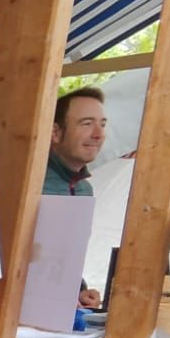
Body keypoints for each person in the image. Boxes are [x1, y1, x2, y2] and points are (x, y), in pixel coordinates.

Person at [42, 86, 108, 307]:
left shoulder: (84, 190)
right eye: (87, 123)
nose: (98, 134)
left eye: (102, 124)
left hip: (53, 312)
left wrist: (78, 291)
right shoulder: (28, 183)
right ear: (55, 132)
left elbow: (63, 257)